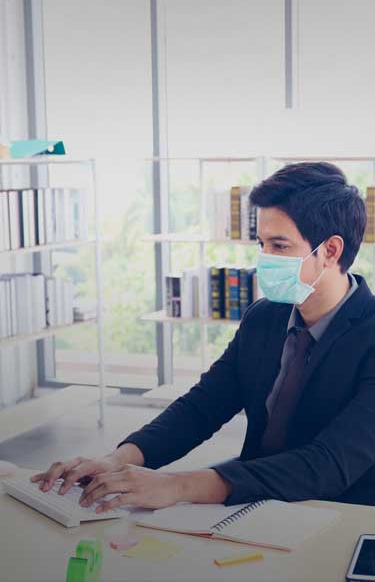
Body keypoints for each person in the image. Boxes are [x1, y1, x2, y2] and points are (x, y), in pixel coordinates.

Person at [31, 161, 375, 514]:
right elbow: (201, 408)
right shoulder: (264, 317)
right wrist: (117, 459)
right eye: (261, 244)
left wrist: (179, 485)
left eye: (279, 246)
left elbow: (330, 463)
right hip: (255, 502)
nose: (264, 259)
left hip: (342, 514)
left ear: (330, 251)